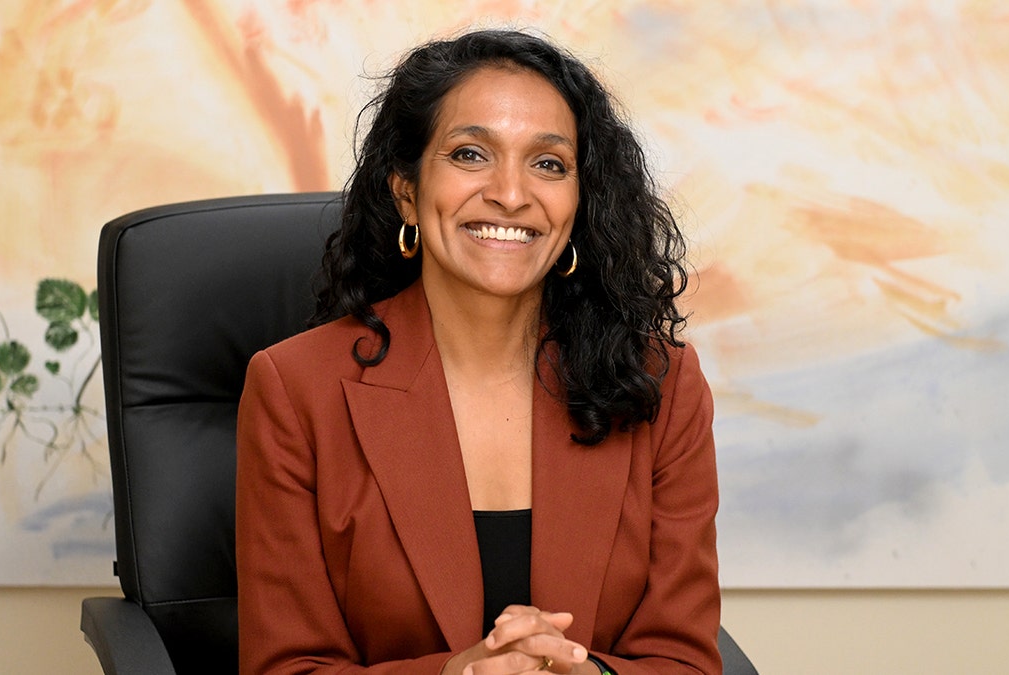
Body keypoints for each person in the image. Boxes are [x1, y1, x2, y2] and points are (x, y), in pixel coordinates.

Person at [236, 28, 721, 674]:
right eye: (471, 154)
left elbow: (683, 660)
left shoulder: (664, 384)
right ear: (406, 188)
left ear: (579, 203)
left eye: (548, 163)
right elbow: (285, 667)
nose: (512, 194)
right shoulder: (295, 390)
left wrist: (592, 674)